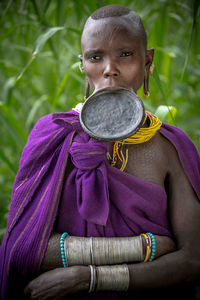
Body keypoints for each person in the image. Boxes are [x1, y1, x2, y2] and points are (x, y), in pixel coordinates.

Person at [0, 4, 200, 300]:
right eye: (96, 57)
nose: (110, 69)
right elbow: (21, 250)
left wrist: (89, 278)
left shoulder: (172, 147)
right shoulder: (53, 135)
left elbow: (193, 260)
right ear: (83, 65)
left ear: (148, 61)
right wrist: (145, 248)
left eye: (126, 54)